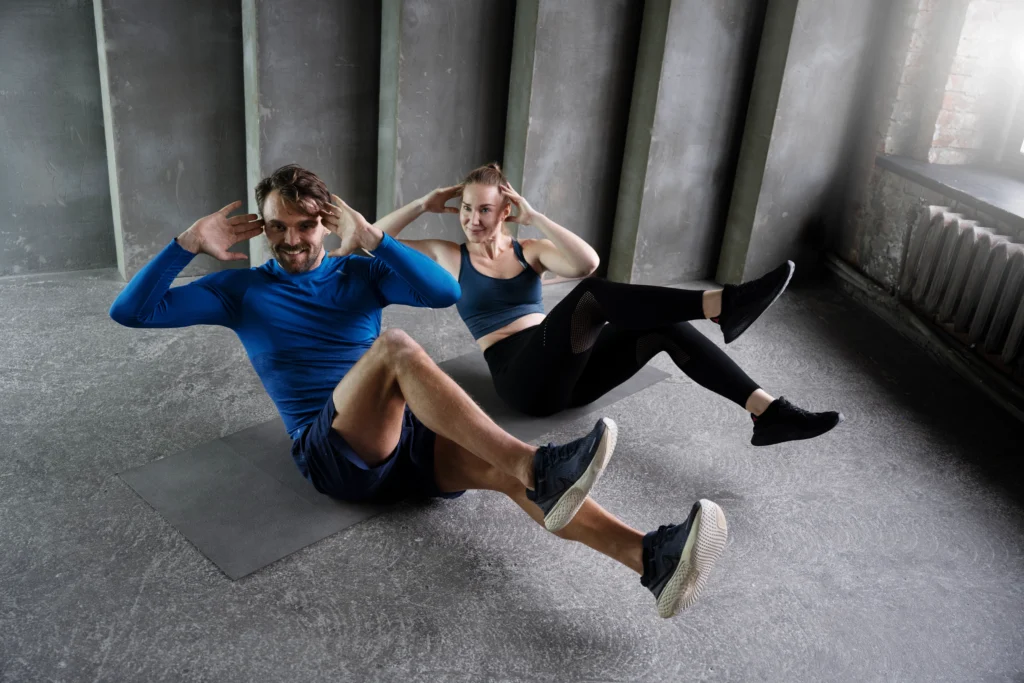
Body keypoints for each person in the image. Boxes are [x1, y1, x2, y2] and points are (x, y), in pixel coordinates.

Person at [109, 164, 728, 618]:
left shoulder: (358, 270)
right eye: (276, 228)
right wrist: (187, 245)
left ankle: (651, 560)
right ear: (262, 230)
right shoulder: (238, 292)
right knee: (400, 349)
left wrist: (375, 240)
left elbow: (444, 292)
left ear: (327, 223)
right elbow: (132, 313)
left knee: (506, 476)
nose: (291, 239)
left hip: (401, 438)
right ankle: (540, 464)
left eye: (304, 225)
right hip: (332, 453)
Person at [376, 162, 843, 443]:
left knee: (663, 328)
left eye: (483, 209)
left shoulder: (529, 250)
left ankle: (767, 412)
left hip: (568, 373)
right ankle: (725, 303)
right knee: (593, 298)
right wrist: (422, 203)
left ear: (505, 212)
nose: (472, 219)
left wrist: (537, 216)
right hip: (521, 380)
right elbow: (370, 240)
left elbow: (586, 262)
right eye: (465, 208)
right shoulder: (450, 255)